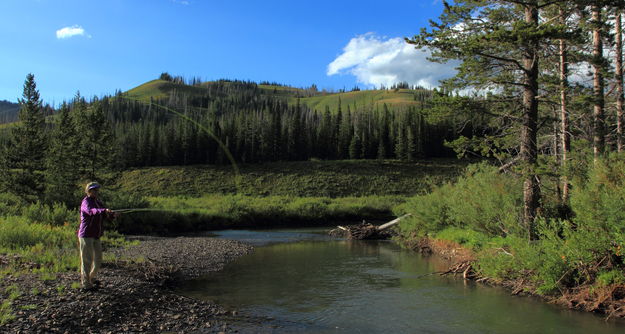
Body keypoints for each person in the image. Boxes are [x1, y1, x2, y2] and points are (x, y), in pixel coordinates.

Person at [78, 182, 116, 290]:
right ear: (88, 191)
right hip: (86, 235)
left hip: (96, 235)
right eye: (93, 190)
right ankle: (86, 284)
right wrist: (104, 210)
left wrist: (112, 215)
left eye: (96, 190)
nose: (95, 191)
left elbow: (104, 215)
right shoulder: (86, 202)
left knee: (98, 259)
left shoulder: (98, 202)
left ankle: (91, 277)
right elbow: (91, 211)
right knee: (87, 260)